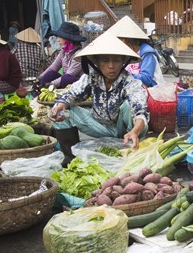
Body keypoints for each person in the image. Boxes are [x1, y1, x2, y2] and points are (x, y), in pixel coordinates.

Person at [49, 33, 149, 165]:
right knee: (61, 112)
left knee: (126, 106)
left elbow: (140, 111)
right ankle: (71, 159)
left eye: (117, 60)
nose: (111, 66)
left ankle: (131, 149)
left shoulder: (130, 82)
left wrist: (135, 131)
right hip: (100, 126)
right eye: (105, 61)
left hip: (125, 131)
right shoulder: (91, 78)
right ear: (96, 62)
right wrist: (60, 105)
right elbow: (71, 94)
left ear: (123, 62)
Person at [106, 16, 163, 87]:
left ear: (125, 40)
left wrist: (124, 74)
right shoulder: (126, 53)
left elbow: (147, 79)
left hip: (152, 91)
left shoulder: (147, 53)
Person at [38, 21, 85, 88]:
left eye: (60, 37)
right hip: (65, 81)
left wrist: (50, 84)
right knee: (50, 74)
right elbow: (53, 67)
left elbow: (69, 75)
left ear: (69, 40)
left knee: (67, 78)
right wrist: (39, 79)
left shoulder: (79, 55)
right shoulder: (63, 52)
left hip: (79, 85)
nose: (58, 40)